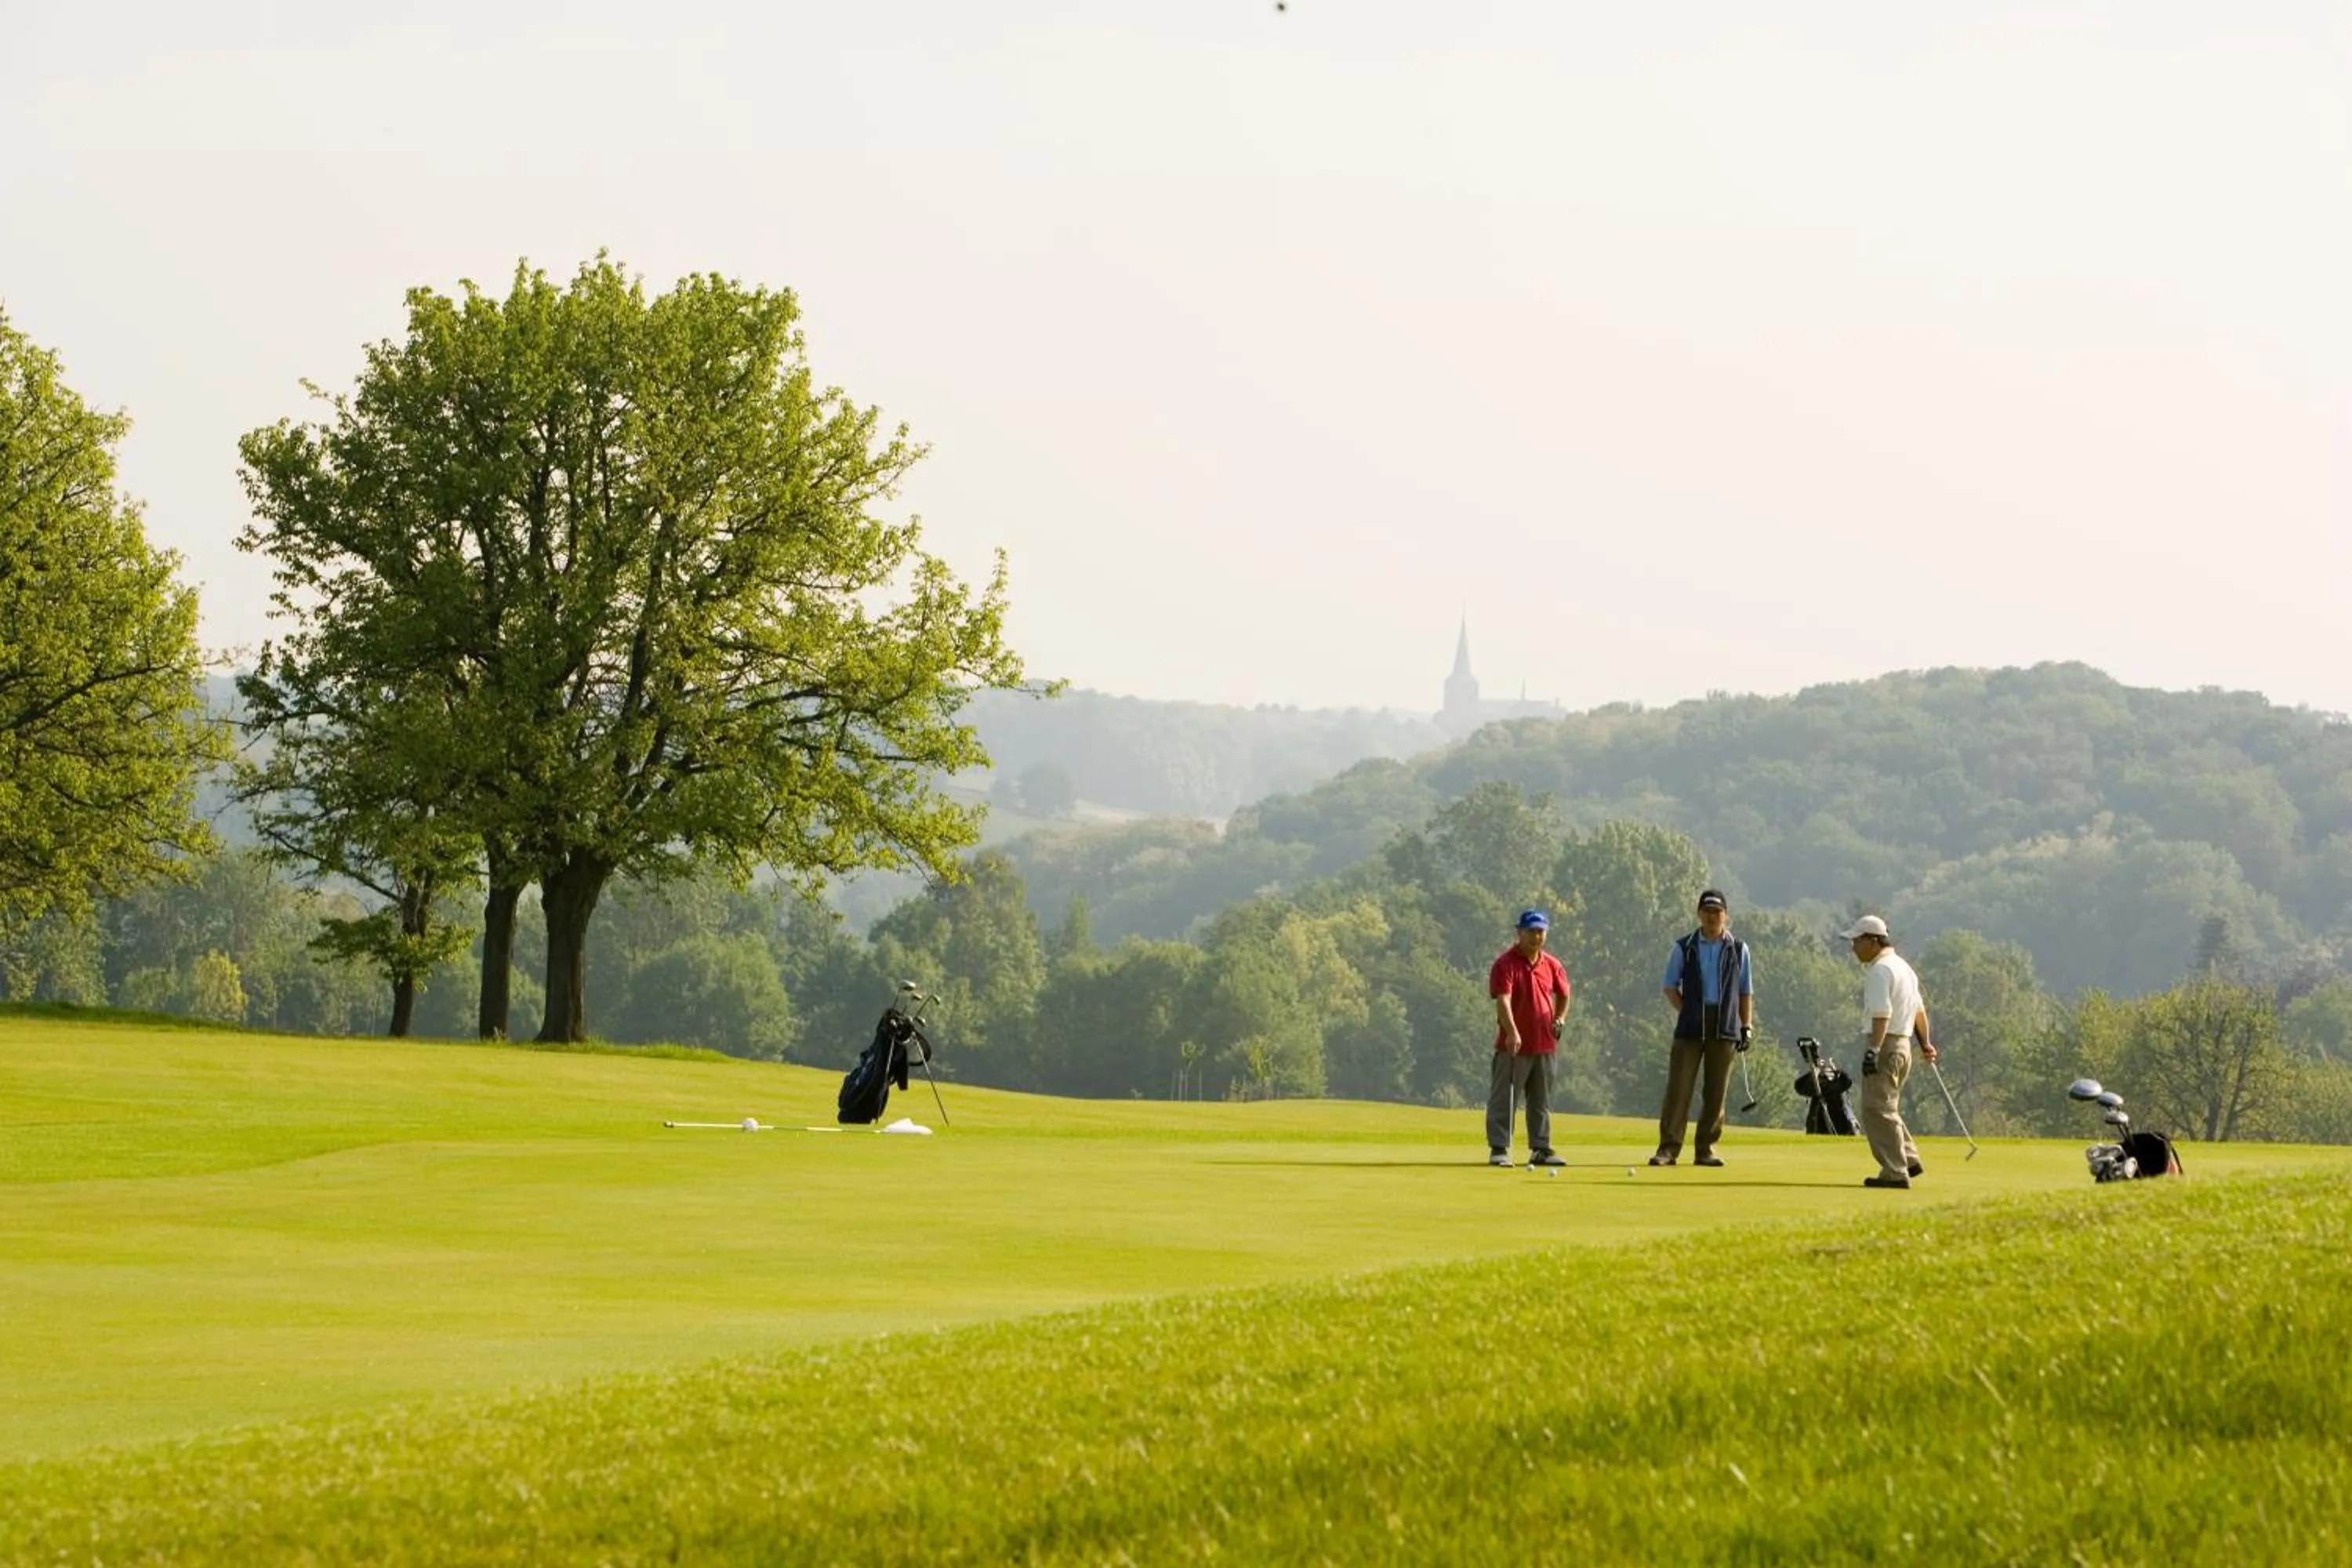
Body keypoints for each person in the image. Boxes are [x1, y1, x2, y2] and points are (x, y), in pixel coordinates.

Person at [1650, 888, 1755, 1167]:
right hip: (1691, 1026)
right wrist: (1687, 1010)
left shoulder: (1738, 949)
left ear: (1725, 915)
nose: (1711, 917)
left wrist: (1747, 1025)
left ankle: (1705, 1149)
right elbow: (1670, 986)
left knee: (1716, 1092)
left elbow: (1745, 991)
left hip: (1725, 1025)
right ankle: (1668, 1149)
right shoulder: (1685, 947)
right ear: (1699, 914)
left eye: (1716, 912)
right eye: (1707, 911)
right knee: (1679, 1089)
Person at [1838, 914, 1934, 1189]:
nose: (1853, 947)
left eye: (1857, 941)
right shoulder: (1904, 968)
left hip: (1886, 1044)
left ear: (1873, 941)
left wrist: (1873, 1050)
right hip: (1903, 1045)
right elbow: (1918, 1011)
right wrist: (1926, 1044)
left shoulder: (1880, 970)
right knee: (1887, 1105)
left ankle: (1895, 1171)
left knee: (1876, 1108)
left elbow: (1882, 1014)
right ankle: (1909, 1158)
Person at [1487, 909, 1572, 1168]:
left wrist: (1560, 1019)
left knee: (1541, 1101)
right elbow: (1503, 1001)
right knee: (1505, 1099)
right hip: (1514, 1046)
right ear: (1520, 932)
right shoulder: (1505, 964)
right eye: (1531, 931)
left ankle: (1540, 1149)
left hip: (1545, 1044)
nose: (1536, 936)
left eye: (1540, 931)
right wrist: (1512, 1031)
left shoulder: (1552, 964)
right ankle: (1499, 1149)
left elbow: (1564, 994)